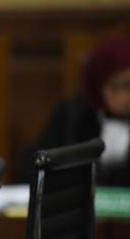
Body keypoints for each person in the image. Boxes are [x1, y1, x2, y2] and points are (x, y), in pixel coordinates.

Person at [19, 36, 130, 185]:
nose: (126, 96)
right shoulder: (73, 115)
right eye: (119, 86)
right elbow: (35, 166)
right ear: (98, 84)